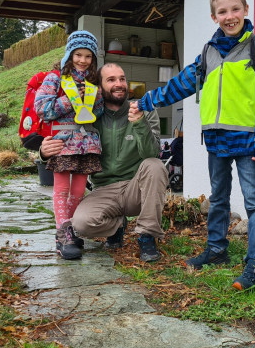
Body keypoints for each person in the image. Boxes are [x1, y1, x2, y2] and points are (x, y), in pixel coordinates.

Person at [131, 0, 255, 290]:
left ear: (246, 10)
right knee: (218, 197)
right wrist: (145, 102)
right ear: (214, 17)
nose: (230, 16)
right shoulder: (207, 54)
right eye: (222, 11)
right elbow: (180, 85)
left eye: (235, 9)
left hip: (249, 140)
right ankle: (216, 250)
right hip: (216, 140)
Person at [40, 62, 168, 262]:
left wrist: (139, 123)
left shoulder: (143, 110)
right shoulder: (88, 115)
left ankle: (147, 236)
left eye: (122, 79)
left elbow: (151, 153)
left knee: (155, 166)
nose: (119, 84)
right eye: (111, 80)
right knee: (81, 225)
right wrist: (43, 151)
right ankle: (117, 225)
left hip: (136, 187)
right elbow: (63, 134)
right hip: (103, 190)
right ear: (98, 87)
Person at [34, 31, 104, 260]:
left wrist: (95, 100)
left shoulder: (93, 81)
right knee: (61, 189)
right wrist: (69, 100)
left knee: (78, 190)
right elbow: (42, 108)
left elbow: (97, 114)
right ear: (69, 54)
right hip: (62, 142)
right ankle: (62, 234)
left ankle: (72, 230)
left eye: (88, 56)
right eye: (78, 54)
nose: (83, 60)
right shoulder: (55, 78)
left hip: (86, 142)